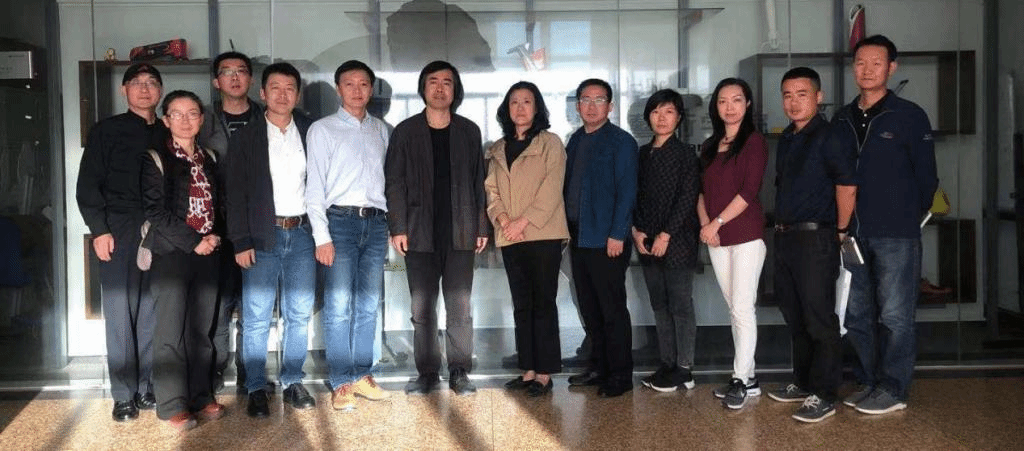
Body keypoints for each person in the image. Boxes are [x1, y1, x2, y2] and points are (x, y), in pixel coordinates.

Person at [833, 35, 937, 415]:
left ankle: (893, 389)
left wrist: (904, 215)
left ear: (892, 68)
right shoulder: (842, 118)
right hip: (852, 233)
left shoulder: (909, 116)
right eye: (861, 63)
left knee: (894, 314)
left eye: (876, 63)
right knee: (856, 313)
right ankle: (869, 381)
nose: (867, 70)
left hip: (895, 233)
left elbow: (927, 179)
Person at [385, 61, 488, 396]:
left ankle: (459, 370)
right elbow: (394, 182)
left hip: (461, 231)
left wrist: (481, 225)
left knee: (460, 306)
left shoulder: (469, 131)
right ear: (423, 88)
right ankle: (428, 372)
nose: (440, 88)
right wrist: (398, 226)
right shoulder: (406, 131)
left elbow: (479, 182)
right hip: (418, 232)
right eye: (433, 81)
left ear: (455, 90)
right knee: (422, 307)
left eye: (447, 82)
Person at [226, 62, 317, 417]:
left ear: (298, 94)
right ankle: (255, 387)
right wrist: (240, 241)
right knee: (257, 315)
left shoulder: (311, 131)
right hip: (261, 237)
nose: (282, 94)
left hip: (303, 234)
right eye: (275, 88)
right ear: (262, 93)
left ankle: (293, 380)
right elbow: (235, 194)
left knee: (298, 312)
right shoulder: (245, 137)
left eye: (289, 88)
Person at [766, 67, 857, 423]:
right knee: (795, 314)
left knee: (819, 318)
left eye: (802, 94)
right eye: (787, 95)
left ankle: (825, 393)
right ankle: (803, 382)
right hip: (786, 237)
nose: (793, 102)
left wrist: (841, 231)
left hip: (816, 237)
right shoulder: (788, 138)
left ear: (819, 97)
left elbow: (846, 186)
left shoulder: (831, 136)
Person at [75, 62, 162, 422]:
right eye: (136, 82)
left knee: (153, 311)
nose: (144, 88)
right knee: (119, 312)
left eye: (151, 82)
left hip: (160, 231)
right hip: (118, 229)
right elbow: (87, 185)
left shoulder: (169, 130)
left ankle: (147, 387)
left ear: (159, 91)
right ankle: (123, 395)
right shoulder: (106, 131)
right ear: (124, 90)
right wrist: (99, 230)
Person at [307, 60, 391, 410]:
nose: (357, 90)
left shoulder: (382, 130)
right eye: (349, 84)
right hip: (339, 223)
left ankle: (362, 374)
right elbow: (314, 187)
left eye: (364, 84)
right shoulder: (322, 129)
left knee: (369, 304)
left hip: (376, 223)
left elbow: (389, 182)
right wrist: (321, 236)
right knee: (339, 305)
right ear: (338, 89)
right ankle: (341, 380)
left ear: (371, 89)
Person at [140, 90, 226, 431]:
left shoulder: (210, 158)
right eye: (177, 113)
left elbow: (218, 204)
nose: (186, 120)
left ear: (202, 119)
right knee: (171, 330)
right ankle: (172, 404)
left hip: (208, 252)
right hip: (172, 253)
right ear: (166, 120)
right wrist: (194, 242)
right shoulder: (155, 158)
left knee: (203, 329)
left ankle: (201, 396)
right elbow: (155, 211)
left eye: (192, 113)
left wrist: (215, 235)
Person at [485, 81, 569, 397]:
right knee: (521, 304)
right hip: (510, 235)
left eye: (527, 102)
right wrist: (505, 221)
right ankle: (528, 369)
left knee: (543, 302)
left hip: (542, 234)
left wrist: (522, 222)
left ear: (537, 108)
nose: (520, 108)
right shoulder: (498, 147)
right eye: (514, 102)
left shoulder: (550, 143)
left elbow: (552, 189)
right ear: (506, 109)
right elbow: (491, 190)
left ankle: (544, 373)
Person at [563, 78, 638, 398]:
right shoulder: (575, 140)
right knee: (589, 307)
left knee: (612, 309)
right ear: (577, 105)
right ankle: (598, 367)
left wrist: (617, 234)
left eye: (598, 100)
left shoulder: (621, 142)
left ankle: (620, 375)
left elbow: (628, 192)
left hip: (607, 238)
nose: (591, 106)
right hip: (579, 236)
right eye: (585, 100)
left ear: (610, 106)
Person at [697, 77, 768, 410]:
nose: (730, 107)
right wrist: (706, 226)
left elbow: (748, 192)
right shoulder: (710, 145)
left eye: (737, 100)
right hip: (716, 238)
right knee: (735, 310)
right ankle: (749, 378)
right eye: (723, 101)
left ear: (747, 104)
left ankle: (739, 379)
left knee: (742, 308)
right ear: (716, 106)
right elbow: (700, 192)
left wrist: (717, 222)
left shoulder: (754, 142)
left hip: (746, 236)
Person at [201, 50, 264, 393]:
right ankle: (215, 369)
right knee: (221, 302)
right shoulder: (203, 120)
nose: (235, 77)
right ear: (216, 81)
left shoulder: (266, 117)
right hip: (217, 225)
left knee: (254, 302)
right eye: (227, 72)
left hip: (259, 223)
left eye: (241, 71)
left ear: (251, 79)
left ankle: (249, 372)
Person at [632, 89, 700, 393]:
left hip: (678, 241)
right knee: (659, 304)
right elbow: (635, 195)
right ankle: (667, 364)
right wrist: (636, 231)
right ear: (648, 116)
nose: (661, 118)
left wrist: (665, 235)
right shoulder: (642, 154)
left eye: (668, 111)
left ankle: (684, 368)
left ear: (679, 117)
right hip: (646, 241)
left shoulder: (685, 154)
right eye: (656, 111)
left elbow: (688, 197)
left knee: (680, 304)